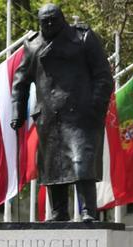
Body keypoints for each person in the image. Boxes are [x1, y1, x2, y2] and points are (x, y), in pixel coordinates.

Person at [10, 3, 113, 221]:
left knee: (80, 161)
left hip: (81, 115)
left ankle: (87, 211)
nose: (48, 24)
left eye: (53, 19)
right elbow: (20, 82)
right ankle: (58, 212)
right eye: (44, 21)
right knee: (52, 165)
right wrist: (17, 111)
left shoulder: (83, 39)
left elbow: (103, 76)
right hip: (49, 116)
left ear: (63, 18)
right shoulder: (33, 45)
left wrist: (95, 107)